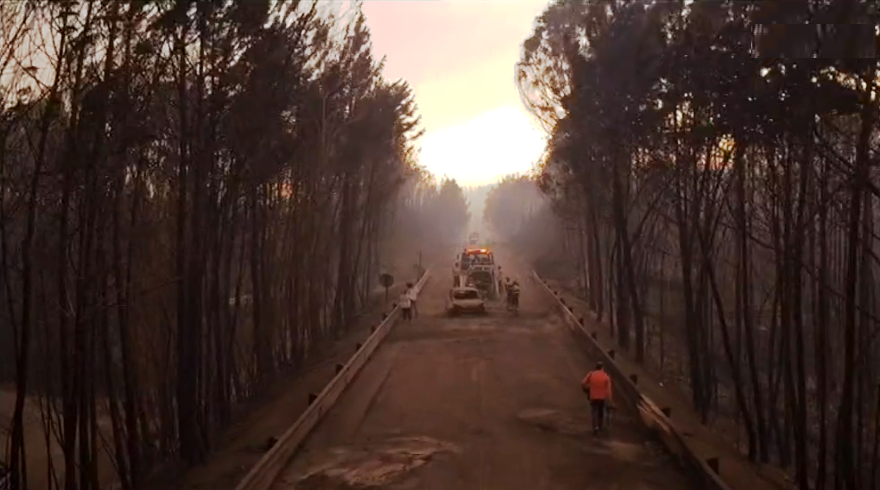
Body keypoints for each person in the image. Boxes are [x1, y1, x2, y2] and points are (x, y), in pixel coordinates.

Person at [582, 362, 613, 434]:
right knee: (600, 412)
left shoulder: (591, 374)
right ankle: (599, 426)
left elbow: (583, 383)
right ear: (602, 368)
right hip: (602, 398)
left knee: (594, 411)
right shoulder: (606, 376)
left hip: (593, 396)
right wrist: (610, 400)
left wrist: (587, 390)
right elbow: (609, 390)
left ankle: (595, 427)